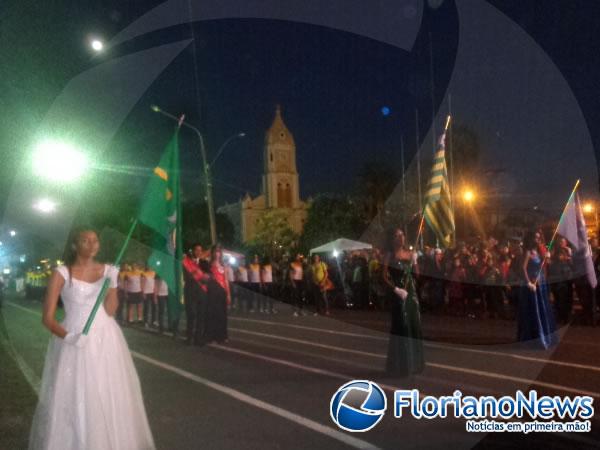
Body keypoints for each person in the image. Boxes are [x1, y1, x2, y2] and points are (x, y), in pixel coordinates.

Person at [29, 227, 155, 450]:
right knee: (75, 392)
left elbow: (110, 310)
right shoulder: (62, 273)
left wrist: (114, 285)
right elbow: (47, 318)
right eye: (85, 240)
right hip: (74, 338)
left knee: (108, 390)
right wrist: (69, 338)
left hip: (106, 337)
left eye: (95, 240)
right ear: (75, 245)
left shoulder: (107, 270)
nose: (91, 244)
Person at [382, 228, 424, 376]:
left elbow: (417, 276)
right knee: (402, 327)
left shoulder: (409, 253)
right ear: (392, 239)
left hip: (411, 294)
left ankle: (414, 365)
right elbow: (384, 277)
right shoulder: (389, 255)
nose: (401, 237)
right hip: (399, 294)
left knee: (413, 326)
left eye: (402, 235)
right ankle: (400, 366)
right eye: (397, 235)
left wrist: (415, 262)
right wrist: (396, 290)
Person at [518, 231, 557, 349]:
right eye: (535, 237)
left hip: (542, 283)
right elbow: (523, 268)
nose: (537, 239)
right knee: (534, 311)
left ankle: (545, 335)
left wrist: (548, 258)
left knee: (543, 309)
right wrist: (529, 282)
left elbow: (546, 265)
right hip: (533, 283)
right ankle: (534, 337)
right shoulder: (528, 252)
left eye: (539, 237)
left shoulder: (540, 252)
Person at [183, 244, 208, 345]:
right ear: (193, 251)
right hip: (190, 291)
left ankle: (198, 339)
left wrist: (206, 277)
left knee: (201, 316)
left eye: (200, 250)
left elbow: (209, 275)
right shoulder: (186, 262)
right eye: (197, 250)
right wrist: (195, 273)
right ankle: (189, 337)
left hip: (202, 292)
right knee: (191, 315)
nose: (198, 252)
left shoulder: (204, 263)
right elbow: (186, 277)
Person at [205, 246, 230, 343]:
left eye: (218, 252)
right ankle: (212, 336)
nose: (217, 254)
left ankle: (222, 336)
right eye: (215, 252)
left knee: (222, 315)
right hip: (212, 291)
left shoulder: (224, 265)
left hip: (222, 292)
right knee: (212, 314)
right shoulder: (209, 265)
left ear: (221, 253)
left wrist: (228, 294)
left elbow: (226, 280)